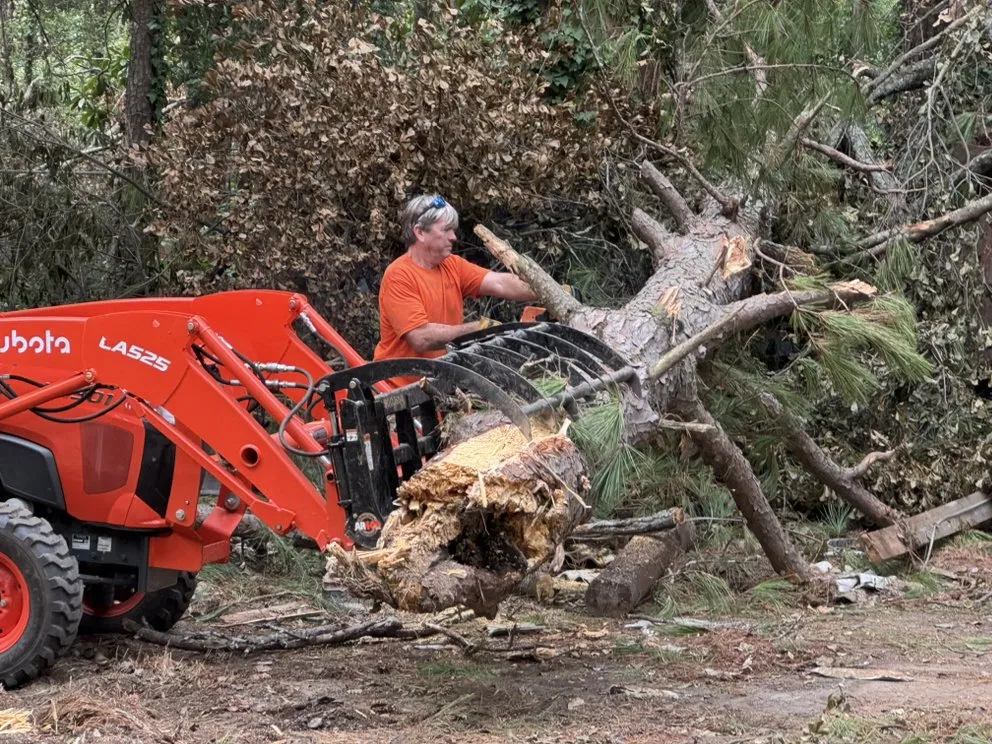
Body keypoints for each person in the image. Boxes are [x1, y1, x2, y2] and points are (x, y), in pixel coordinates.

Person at [374, 194, 536, 364]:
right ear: (420, 232)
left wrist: (550, 291)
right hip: (397, 385)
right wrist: (477, 329)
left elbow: (501, 283)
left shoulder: (452, 265)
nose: (453, 237)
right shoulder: (399, 276)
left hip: (442, 376)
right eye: (446, 230)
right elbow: (421, 338)